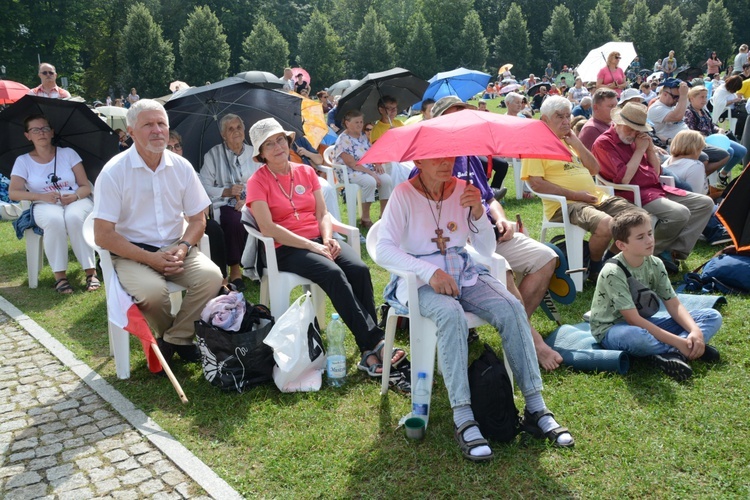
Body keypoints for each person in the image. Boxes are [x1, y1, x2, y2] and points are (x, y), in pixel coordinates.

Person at [378, 155, 575, 462]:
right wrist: (430, 272)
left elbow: (486, 249)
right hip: (419, 282)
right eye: (437, 158)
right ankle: (463, 415)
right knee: (450, 314)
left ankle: (536, 406)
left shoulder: (463, 190)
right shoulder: (404, 194)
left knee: (511, 306)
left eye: (451, 157)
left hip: (463, 272)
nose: (447, 164)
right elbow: (384, 248)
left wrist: (478, 212)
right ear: (418, 159)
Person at [245, 118, 410, 391]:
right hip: (284, 247)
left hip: (318, 238)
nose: (277, 147)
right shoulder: (257, 181)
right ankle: (374, 341)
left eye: (280, 140)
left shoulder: (306, 172)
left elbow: (322, 213)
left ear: (288, 142)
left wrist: (327, 238)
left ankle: (369, 349)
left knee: (359, 269)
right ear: (260, 153)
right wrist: (313, 246)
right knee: (333, 273)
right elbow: (267, 227)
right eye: (269, 144)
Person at [92, 100, 223, 368]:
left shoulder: (182, 167)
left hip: (177, 248)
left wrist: (185, 246)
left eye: (162, 123)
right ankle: (180, 340)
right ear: (130, 131)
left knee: (212, 278)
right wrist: (150, 259)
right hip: (131, 252)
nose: (157, 130)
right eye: (148, 124)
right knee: (153, 294)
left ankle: (174, 340)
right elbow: (103, 235)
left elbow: (199, 219)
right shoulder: (114, 172)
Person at [589, 209, 722, 380]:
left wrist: (695, 330)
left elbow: (674, 304)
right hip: (613, 329)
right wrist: (678, 341)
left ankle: (675, 351)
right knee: (637, 337)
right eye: (640, 237)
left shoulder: (656, 263)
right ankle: (685, 348)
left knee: (712, 316)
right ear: (622, 245)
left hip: (646, 323)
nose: (649, 240)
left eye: (650, 233)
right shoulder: (613, 271)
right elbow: (633, 320)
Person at [522, 96, 634, 279]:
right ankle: (597, 269)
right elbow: (536, 184)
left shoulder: (569, 141)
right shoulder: (536, 145)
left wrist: (576, 143)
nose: (566, 121)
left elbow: (595, 169)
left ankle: (610, 261)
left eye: (568, 116)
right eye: (559, 117)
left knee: (638, 220)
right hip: (566, 205)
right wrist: (576, 195)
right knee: (607, 225)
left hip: (596, 198)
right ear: (544, 120)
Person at [591, 102, 714, 263]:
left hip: (654, 189)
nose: (635, 133)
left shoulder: (635, 139)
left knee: (705, 203)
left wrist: (649, 149)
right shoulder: (604, 143)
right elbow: (624, 179)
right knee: (680, 213)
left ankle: (673, 251)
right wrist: (640, 150)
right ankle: (647, 255)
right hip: (630, 193)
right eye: (631, 128)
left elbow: (657, 173)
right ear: (619, 123)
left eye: (638, 129)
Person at [9, 114, 98, 294]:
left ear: (52, 132)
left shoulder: (68, 153)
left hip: (75, 199)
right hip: (44, 204)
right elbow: (14, 192)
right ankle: (60, 277)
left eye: (45, 128)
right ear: (28, 135)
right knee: (54, 220)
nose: (41, 133)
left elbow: (84, 187)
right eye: (35, 130)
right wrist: (41, 196)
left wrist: (74, 197)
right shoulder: (23, 161)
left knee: (74, 217)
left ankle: (91, 272)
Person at [199, 114, 260, 290]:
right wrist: (226, 191)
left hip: (253, 200)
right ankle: (235, 269)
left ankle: (257, 265)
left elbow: (263, 179)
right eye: (230, 129)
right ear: (223, 135)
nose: (236, 132)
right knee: (233, 220)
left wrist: (248, 199)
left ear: (244, 130)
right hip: (225, 202)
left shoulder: (254, 153)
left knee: (261, 218)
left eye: (238, 127)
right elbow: (203, 184)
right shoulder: (213, 154)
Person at [168, 131, 229, 283]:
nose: (174, 151)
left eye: (177, 146)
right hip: (172, 224)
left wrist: (194, 216)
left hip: (193, 219)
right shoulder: (158, 175)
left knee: (213, 228)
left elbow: (205, 205)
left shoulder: (190, 172)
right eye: (168, 148)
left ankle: (222, 280)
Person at [647, 78, 730, 175]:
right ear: (665, 94)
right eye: (675, 97)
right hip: (676, 145)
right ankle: (693, 183)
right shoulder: (656, 108)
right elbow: (677, 117)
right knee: (703, 159)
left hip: (691, 142)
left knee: (724, 155)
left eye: (679, 97)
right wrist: (682, 96)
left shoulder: (674, 105)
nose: (677, 100)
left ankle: (698, 180)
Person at [333, 110, 393, 228]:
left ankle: (383, 215)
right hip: (349, 171)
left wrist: (377, 164)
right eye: (356, 122)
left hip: (366, 168)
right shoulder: (343, 139)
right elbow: (351, 163)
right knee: (370, 182)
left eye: (361, 122)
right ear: (347, 123)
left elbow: (371, 153)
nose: (360, 125)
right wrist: (372, 173)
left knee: (386, 180)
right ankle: (365, 218)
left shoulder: (363, 137)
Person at [685, 85, 747, 185]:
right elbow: (690, 132)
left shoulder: (703, 110)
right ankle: (710, 177)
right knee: (729, 151)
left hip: (714, 139)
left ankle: (722, 175)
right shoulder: (689, 113)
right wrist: (705, 137)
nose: (704, 100)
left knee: (741, 151)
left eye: (706, 97)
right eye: (701, 97)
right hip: (701, 142)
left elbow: (712, 125)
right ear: (692, 98)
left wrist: (719, 129)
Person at [711, 75, 748, 143]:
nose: (735, 91)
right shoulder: (721, 90)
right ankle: (737, 135)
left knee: (746, 114)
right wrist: (733, 101)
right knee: (743, 116)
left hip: (732, 109)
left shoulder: (728, 90)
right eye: (735, 89)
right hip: (724, 111)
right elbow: (719, 104)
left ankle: (742, 134)